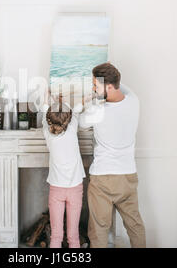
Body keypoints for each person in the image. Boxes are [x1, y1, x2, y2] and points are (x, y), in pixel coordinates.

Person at [79, 62, 146, 248]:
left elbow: (80, 123)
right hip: (128, 177)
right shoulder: (134, 101)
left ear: (108, 86)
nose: (93, 88)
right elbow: (123, 87)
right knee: (135, 226)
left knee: (99, 231)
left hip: (103, 179)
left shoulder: (97, 111)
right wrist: (108, 82)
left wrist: (88, 102)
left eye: (95, 85)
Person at [42, 99, 86, 248]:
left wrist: (48, 99)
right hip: (75, 189)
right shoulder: (73, 129)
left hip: (56, 190)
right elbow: (77, 110)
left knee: (56, 236)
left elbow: (44, 113)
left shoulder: (48, 135)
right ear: (68, 119)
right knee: (73, 237)